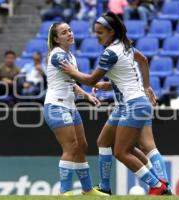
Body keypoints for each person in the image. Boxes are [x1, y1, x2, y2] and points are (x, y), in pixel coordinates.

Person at [61, 12, 171, 195]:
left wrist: (71, 72)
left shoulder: (110, 53)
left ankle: (158, 185)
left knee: (121, 152)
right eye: (95, 32)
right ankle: (105, 187)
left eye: (100, 32)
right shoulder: (124, 46)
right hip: (130, 103)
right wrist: (146, 86)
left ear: (111, 32)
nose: (97, 36)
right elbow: (142, 62)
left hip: (133, 104)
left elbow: (89, 79)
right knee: (104, 142)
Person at [43, 22, 109, 196]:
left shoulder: (70, 55)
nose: (70, 34)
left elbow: (72, 83)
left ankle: (87, 190)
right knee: (71, 147)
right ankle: (64, 192)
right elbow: (81, 78)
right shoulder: (58, 57)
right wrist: (99, 84)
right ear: (56, 39)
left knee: (82, 145)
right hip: (56, 106)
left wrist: (86, 96)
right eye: (64, 32)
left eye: (70, 30)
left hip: (70, 107)